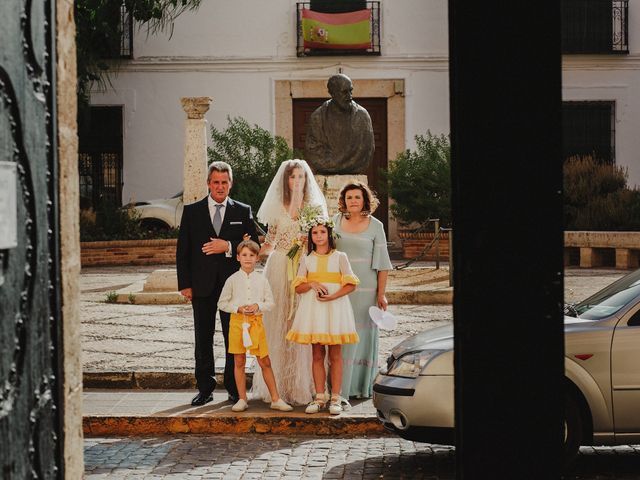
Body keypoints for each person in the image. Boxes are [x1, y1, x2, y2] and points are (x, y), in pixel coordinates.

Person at [176, 161, 260, 407]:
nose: (220, 186)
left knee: (232, 337)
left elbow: (252, 246)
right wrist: (185, 284)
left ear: (230, 184)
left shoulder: (242, 211)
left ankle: (234, 389)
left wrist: (229, 246)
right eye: (216, 182)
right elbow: (183, 251)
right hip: (200, 286)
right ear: (208, 184)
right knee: (202, 338)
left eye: (224, 182)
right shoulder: (192, 211)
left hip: (232, 287)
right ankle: (205, 388)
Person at [250, 159, 328, 406]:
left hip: (304, 269)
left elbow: (321, 240)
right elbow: (270, 243)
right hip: (278, 269)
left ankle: (302, 385)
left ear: (306, 180)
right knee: (280, 327)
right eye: (292, 177)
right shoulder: (277, 208)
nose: (297, 181)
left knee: (303, 325)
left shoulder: (313, 208)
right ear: (286, 181)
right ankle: (279, 385)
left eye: (301, 177)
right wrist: (247, 252)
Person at [286, 215, 360, 415]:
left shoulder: (340, 257)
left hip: (335, 309)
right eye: (315, 232)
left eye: (322, 232)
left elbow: (351, 284)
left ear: (329, 234)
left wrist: (333, 296)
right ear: (310, 235)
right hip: (314, 311)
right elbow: (299, 288)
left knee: (335, 355)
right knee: (317, 354)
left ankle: (335, 397)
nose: (319, 236)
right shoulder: (307, 259)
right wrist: (311, 284)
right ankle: (320, 396)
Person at [217, 240, 293, 413]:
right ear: (237, 257)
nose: (248, 259)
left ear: (257, 258)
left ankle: (276, 398)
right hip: (237, 323)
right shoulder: (232, 280)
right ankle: (242, 398)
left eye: (251, 255)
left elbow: (270, 303)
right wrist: (237, 308)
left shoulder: (262, 280)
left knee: (264, 360)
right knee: (239, 360)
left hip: (257, 324)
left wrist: (258, 306)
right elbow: (222, 303)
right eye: (244, 255)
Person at [333, 180, 393, 399]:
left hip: (366, 289)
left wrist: (381, 294)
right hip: (340, 288)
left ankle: (358, 386)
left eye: (357, 197)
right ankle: (339, 388)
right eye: (349, 197)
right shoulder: (335, 222)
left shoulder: (376, 225)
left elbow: (383, 264)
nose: (353, 201)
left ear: (365, 199)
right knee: (340, 335)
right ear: (344, 201)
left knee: (362, 336)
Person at [305, 73, 375, 175]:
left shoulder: (362, 117)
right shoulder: (318, 117)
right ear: (332, 93)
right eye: (344, 92)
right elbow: (312, 151)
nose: (349, 96)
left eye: (351, 91)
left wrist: (335, 163)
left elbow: (366, 151)